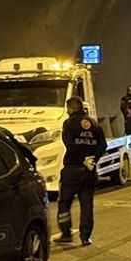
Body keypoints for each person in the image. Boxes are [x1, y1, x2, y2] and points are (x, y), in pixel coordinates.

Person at [55, 96, 106, 247]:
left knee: (65, 202)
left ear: (71, 108)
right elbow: (103, 145)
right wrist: (92, 159)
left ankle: (66, 234)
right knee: (87, 204)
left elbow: (70, 145)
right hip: (89, 171)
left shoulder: (69, 123)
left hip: (73, 168)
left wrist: (82, 158)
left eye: (68, 108)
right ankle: (85, 237)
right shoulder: (95, 124)